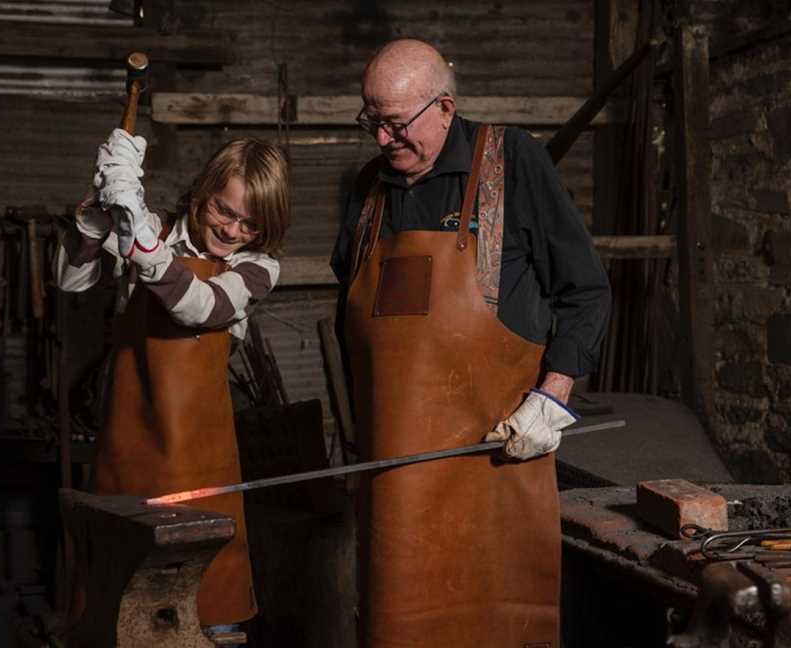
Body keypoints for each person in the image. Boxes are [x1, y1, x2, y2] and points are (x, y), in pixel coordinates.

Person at [331, 39, 610, 647]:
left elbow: (586, 291)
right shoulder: (366, 190)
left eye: (396, 125)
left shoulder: (513, 164)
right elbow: (350, 323)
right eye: (371, 123)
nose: (382, 141)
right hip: (393, 477)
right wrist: (351, 435)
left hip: (495, 464)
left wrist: (553, 397)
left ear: (446, 108)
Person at [56, 130, 289, 635]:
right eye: (225, 211)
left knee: (210, 617)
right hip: (126, 455)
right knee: (110, 614)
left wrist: (140, 239)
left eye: (251, 223)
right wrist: (98, 214)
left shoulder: (257, 267)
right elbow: (73, 281)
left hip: (203, 468)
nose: (233, 230)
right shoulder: (155, 226)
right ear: (203, 192)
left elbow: (198, 307)